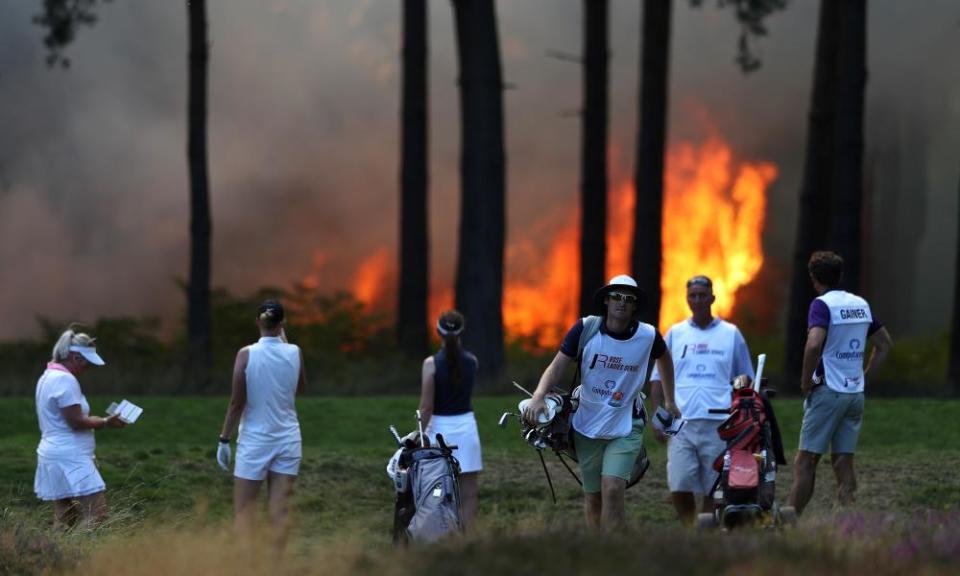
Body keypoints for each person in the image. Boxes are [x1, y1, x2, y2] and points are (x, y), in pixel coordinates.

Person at [523, 274, 680, 531]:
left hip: (627, 423)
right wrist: (539, 395)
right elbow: (557, 366)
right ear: (606, 300)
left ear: (634, 305)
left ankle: (614, 550)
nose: (622, 302)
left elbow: (665, 359)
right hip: (586, 424)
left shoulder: (648, 335)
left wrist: (670, 401)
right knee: (593, 496)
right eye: (617, 296)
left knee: (613, 487)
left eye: (629, 299)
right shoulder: (585, 329)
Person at [788, 251, 893, 515]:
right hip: (855, 394)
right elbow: (884, 345)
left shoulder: (821, 305)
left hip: (828, 392)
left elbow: (813, 345)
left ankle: (788, 522)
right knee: (843, 461)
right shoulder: (860, 304)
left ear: (813, 278)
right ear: (840, 275)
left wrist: (805, 382)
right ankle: (848, 522)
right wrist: (864, 377)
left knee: (805, 462)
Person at [649, 275, 755, 524]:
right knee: (679, 482)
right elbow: (657, 378)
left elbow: (745, 377)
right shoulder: (675, 333)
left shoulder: (730, 334)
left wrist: (739, 404)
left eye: (702, 295)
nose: (697, 300)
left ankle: (705, 529)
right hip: (681, 421)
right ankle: (689, 525)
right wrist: (658, 417)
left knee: (714, 484)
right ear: (687, 299)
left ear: (713, 298)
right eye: (692, 295)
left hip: (719, 423)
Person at [216, 299, 306, 550]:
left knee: (244, 514)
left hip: (255, 441)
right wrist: (285, 344)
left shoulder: (246, 354)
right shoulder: (295, 352)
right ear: (283, 323)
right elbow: (300, 387)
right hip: (288, 440)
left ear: (257, 322)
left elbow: (237, 402)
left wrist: (224, 439)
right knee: (280, 513)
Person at [34, 327, 126, 529]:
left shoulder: (47, 376)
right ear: (75, 357)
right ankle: (84, 557)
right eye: (86, 362)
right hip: (71, 455)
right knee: (98, 514)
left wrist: (101, 419)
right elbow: (76, 422)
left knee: (66, 517)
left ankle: (55, 557)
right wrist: (106, 422)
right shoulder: (65, 380)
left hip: (52, 452)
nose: (87, 368)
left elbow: (72, 417)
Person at [417, 310, 482, 531]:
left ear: (438, 332)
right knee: (469, 493)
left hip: (438, 430)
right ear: (462, 331)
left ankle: (440, 536)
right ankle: (466, 540)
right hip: (466, 428)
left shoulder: (430, 364)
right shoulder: (473, 361)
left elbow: (426, 406)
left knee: (436, 489)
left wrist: (418, 433)